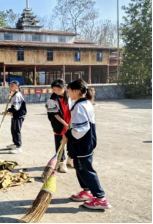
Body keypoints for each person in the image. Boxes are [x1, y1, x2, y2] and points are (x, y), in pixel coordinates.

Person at [62, 79, 111, 210]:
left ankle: (101, 198)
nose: (68, 93)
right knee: (80, 168)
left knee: (86, 170)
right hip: (85, 142)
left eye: (69, 90)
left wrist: (67, 136)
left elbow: (80, 130)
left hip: (83, 143)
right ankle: (87, 191)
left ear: (76, 91)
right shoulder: (84, 103)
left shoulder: (80, 106)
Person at [45, 79, 73, 173]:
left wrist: (70, 124)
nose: (56, 91)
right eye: (54, 89)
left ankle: (70, 158)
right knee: (60, 142)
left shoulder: (70, 95)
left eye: (58, 89)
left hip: (71, 121)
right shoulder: (52, 99)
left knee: (72, 141)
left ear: (64, 87)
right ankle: (61, 162)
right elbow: (55, 114)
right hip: (59, 124)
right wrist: (65, 124)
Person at [5, 81, 27, 154]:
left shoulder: (17, 95)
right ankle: (15, 143)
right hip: (15, 115)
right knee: (13, 129)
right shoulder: (14, 94)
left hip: (19, 115)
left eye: (12, 86)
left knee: (16, 130)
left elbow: (16, 108)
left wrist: (8, 111)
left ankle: (19, 147)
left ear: (17, 87)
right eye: (10, 85)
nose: (10, 87)